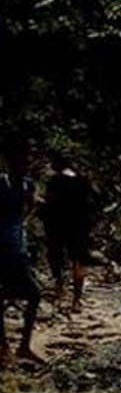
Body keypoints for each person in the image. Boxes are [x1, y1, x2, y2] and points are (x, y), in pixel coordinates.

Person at [0, 143, 44, 366]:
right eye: (20, 162)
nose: (24, 166)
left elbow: (31, 206)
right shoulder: (2, 183)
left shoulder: (27, 185)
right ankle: (6, 346)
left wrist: (32, 208)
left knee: (34, 295)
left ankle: (22, 346)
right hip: (3, 247)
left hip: (17, 247)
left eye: (26, 162)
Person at [43, 152, 93, 313]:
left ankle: (60, 289)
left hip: (58, 225)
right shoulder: (83, 181)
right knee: (79, 261)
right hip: (80, 226)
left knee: (56, 257)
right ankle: (76, 300)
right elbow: (91, 203)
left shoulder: (55, 181)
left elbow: (49, 203)